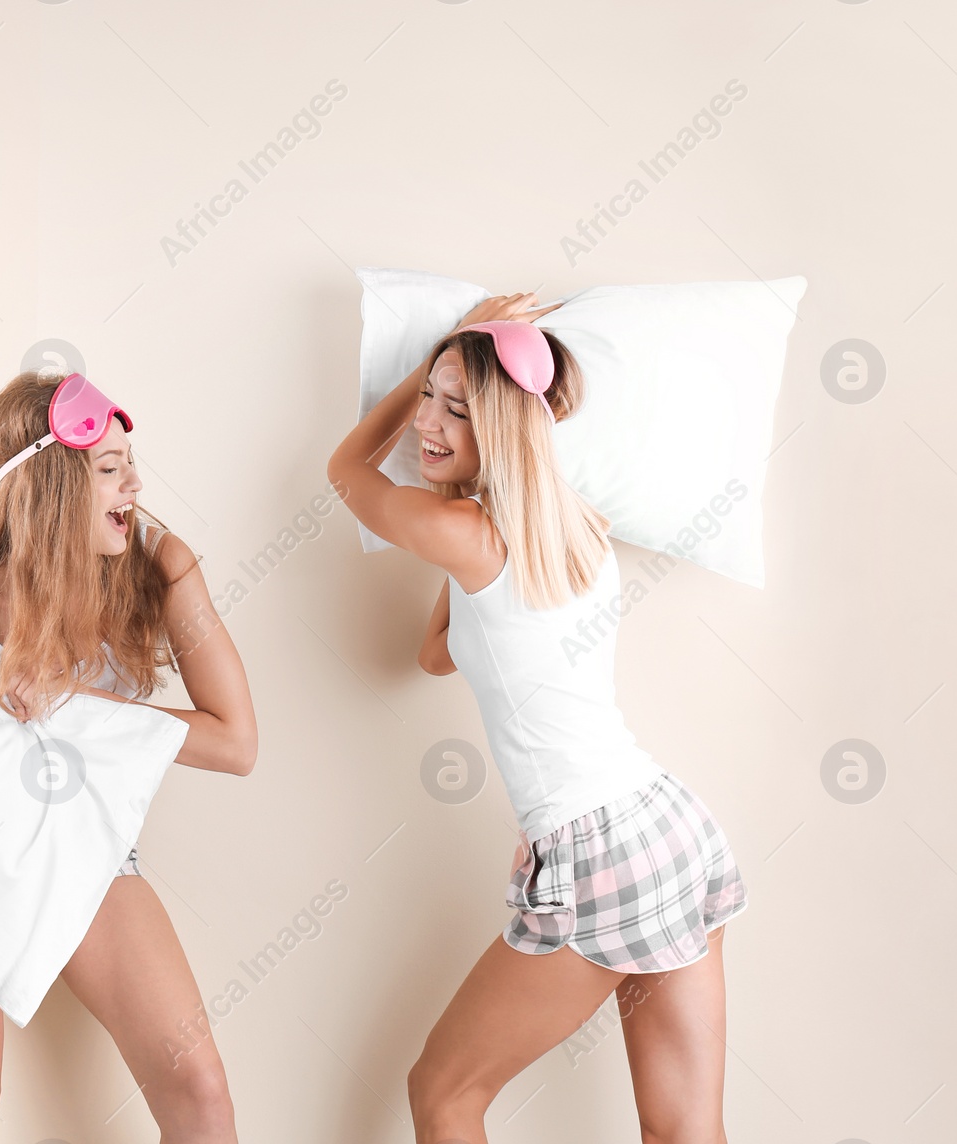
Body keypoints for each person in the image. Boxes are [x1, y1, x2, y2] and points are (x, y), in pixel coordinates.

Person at [328, 292, 748, 1143]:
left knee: (441, 1095)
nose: (428, 424)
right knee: (684, 1131)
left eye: (458, 407)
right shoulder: (579, 528)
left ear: (505, 425)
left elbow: (345, 473)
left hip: (592, 847)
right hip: (666, 823)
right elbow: (438, 654)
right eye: (428, 400)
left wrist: (437, 350)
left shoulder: (465, 533)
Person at [0, 370, 258, 1144]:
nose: (135, 483)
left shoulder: (160, 564)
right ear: (50, 486)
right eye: (109, 468)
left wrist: (72, 700)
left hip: (93, 849)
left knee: (198, 1090)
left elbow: (235, 742)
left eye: (129, 460)